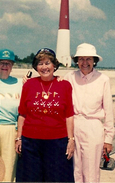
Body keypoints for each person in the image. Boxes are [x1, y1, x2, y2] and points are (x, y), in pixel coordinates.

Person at [15, 48, 75, 182]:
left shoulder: (65, 85)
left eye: (47, 63)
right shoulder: (28, 84)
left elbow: (69, 115)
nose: (44, 67)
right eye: (40, 63)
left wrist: (71, 140)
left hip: (57, 142)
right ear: (36, 67)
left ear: (54, 65)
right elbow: (22, 114)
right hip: (31, 142)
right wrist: (18, 138)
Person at [63, 43, 115, 183]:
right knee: (74, 170)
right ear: (77, 61)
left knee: (91, 171)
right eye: (81, 59)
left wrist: (108, 139)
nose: (84, 63)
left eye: (88, 59)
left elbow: (109, 111)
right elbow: (51, 84)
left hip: (93, 128)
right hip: (73, 127)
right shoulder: (69, 77)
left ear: (94, 61)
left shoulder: (103, 79)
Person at [0, 49, 23, 182]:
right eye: (2, 63)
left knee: (8, 168)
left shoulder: (20, 83)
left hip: (11, 129)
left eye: (8, 63)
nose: (5, 66)